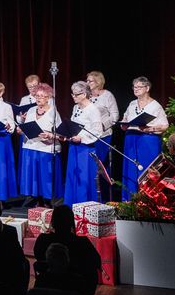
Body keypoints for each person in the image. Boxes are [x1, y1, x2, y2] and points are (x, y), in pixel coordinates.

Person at [120, 76, 169, 200]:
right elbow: (125, 119)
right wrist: (124, 124)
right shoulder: (132, 103)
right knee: (131, 170)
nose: (136, 89)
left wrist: (150, 129)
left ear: (147, 88)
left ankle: (148, 201)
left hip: (148, 141)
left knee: (146, 170)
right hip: (131, 139)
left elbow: (165, 126)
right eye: (134, 87)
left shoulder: (155, 106)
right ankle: (130, 201)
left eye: (139, 87)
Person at [19, 82, 62, 206]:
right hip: (31, 146)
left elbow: (60, 134)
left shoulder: (53, 112)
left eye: (42, 96)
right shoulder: (31, 110)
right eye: (37, 96)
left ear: (48, 97)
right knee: (33, 176)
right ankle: (36, 198)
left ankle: (47, 200)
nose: (38, 98)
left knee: (45, 177)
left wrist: (49, 135)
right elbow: (27, 127)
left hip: (46, 148)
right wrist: (22, 129)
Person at [62, 81, 103, 205]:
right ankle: (72, 204)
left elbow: (97, 131)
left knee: (83, 177)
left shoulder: (93, 109)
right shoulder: (76, 107)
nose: (73, 97)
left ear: (84, 94)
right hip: (74, 147)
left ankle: (83, 205)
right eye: (72, 94)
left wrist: (81, 138)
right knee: (72, 175)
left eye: (76, 94)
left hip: (85, 149)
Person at [86, 71, 120, 201]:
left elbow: (115, 116)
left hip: (103, 136)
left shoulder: (107, 95)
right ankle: (90, 198)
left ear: (98, 81)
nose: (88, 83)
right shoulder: (86, 96)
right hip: (88, 137)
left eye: (91, 81)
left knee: (101, 168)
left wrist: (101, 125)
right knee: (90, 169)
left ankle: (105, 199)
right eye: (87, 80)